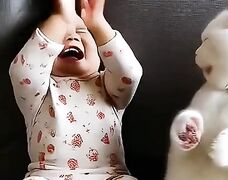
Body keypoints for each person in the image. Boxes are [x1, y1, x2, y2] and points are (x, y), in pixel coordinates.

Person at [9, 0, 142, 179]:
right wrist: (61, 17)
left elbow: (130, 73)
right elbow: (23, 70)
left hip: (110, 175)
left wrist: (97, 22)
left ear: (100, 53)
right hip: (48, 175)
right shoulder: (39, 93)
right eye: (59, 37)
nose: (71, 38)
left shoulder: (109, 87)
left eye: (80, 32)